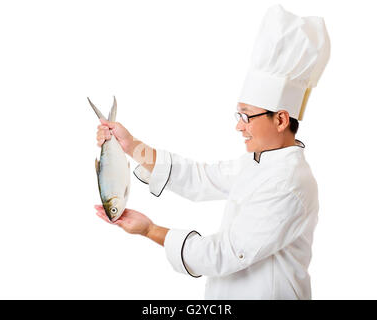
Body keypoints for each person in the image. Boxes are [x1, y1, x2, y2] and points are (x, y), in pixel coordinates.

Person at [94, 5, 330, 299]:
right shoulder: (260, 163)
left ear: (280, 119)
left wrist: (149, 230)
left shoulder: (288, 182)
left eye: (247, 116)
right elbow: (201, 178)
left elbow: (226, 253)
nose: (239, 127)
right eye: (239, 115)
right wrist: (131, 146)